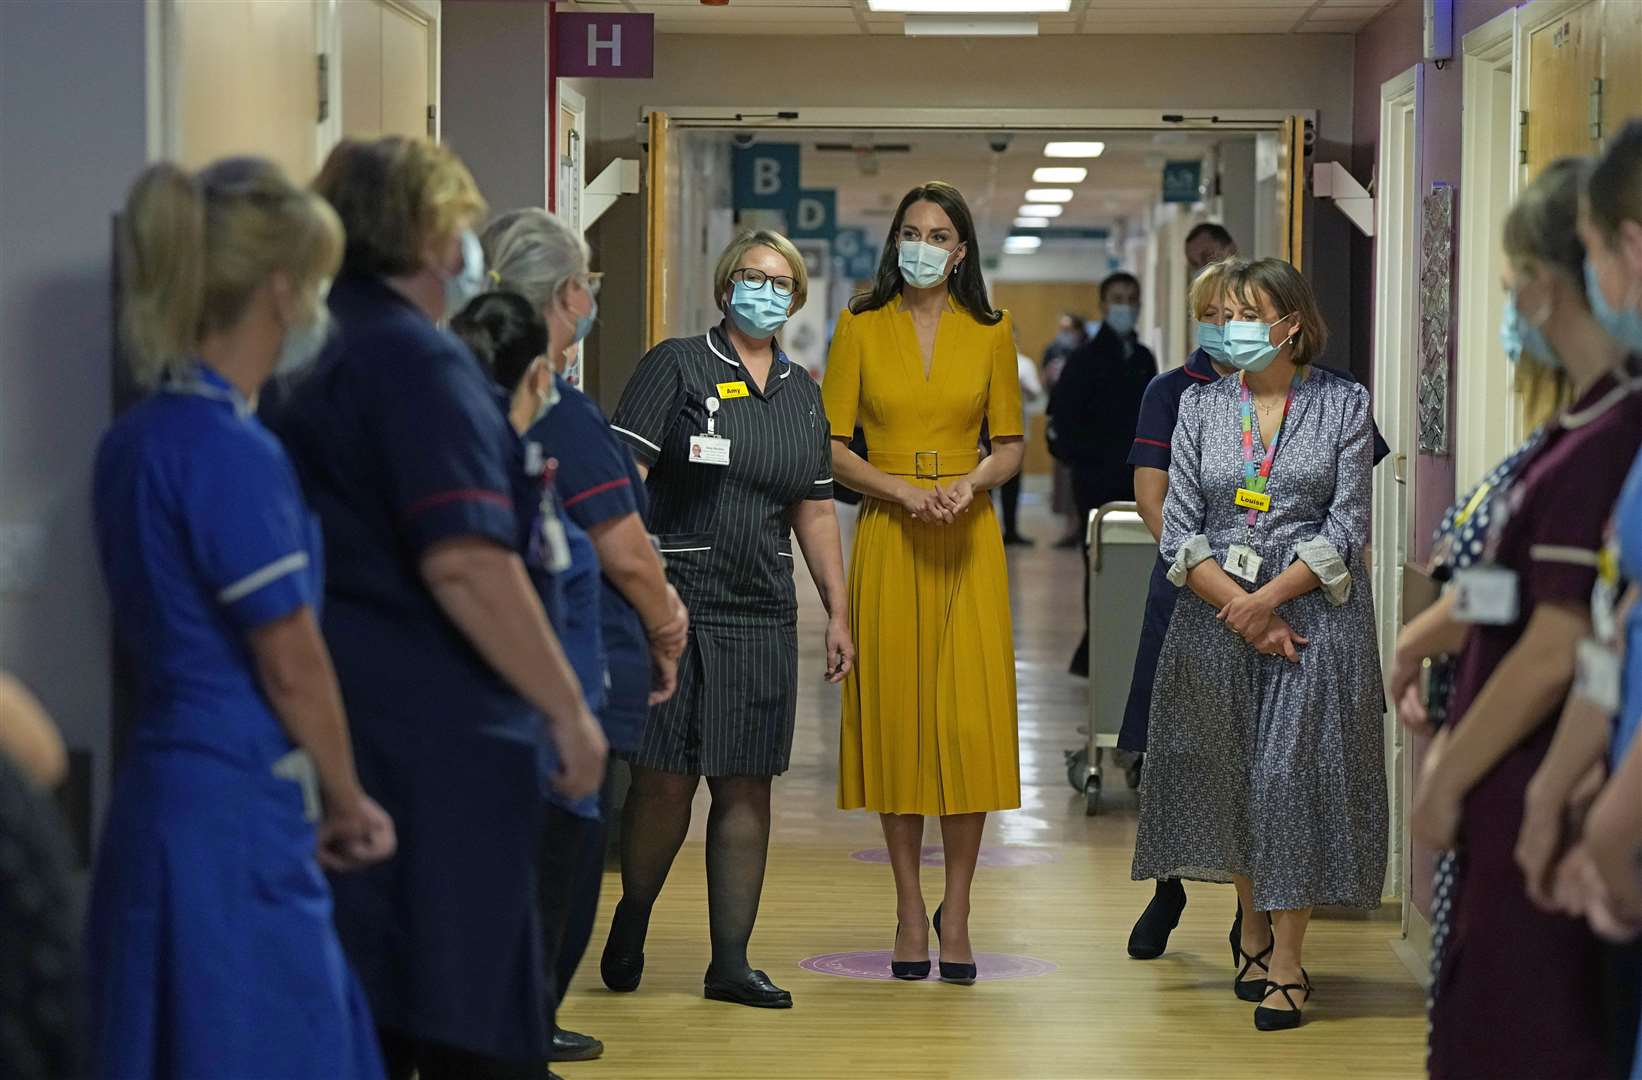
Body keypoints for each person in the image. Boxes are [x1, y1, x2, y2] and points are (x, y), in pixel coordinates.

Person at [262, 137, 606, 1080]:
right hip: (442, 742)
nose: (471, 251)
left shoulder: (318, 352)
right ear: (425, 233)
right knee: (471, 1026)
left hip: (360, 720)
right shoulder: (421, 367)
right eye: (460, 226)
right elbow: (467, 564)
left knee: (375, 1014)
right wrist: (567, 708)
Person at [85, 158, 394, 1080]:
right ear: (282, 289)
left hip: (161, 790)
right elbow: (290, 659)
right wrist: (347, 797)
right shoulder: (232, 453)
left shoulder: (136, 438)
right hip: (235, 801)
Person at [1391, 156, 1642, 1078]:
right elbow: (1513, 586)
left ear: (1544, 286)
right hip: (1509, 773)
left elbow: (1560, 640)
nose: (1506, 307)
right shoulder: (1564, 431)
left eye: (1507, 285)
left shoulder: (1612, 439)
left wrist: (1447, 778)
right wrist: (1424, 634)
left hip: (1544, 769)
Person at [1132, 257, 1386, 1031]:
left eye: (1247, 313)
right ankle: (1249, 925)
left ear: (1291, 323)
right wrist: (1240, 606)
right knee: (1237, 776)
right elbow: (1178, 525)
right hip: (1215, 619)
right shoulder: (1201, 408)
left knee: (1288, 781)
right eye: (1222, 313)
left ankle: (1286, 959)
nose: (1230, 328)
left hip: (1313, 620)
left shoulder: (1344, 404)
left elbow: (1347, 523)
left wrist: (1270, 602)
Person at [604, 229, 853, 1009]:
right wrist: (637, 591)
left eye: (781, 282)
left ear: (798, 298)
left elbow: (813, 509)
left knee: (747, 784)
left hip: (760, 609)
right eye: (752, 277)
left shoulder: (800, 392)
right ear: (724, 286)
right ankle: (633, 915)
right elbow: (623, 484)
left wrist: (838, 611)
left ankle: (731, 963)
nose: (765, 291)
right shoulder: (675, 366)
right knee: (664, 784)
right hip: (673, 603)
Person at [474, 208, 688, 1066]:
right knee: (562, 857)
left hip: (528, 671)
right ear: (569, 294)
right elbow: (626, 552)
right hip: (574, 670)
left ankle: (521, 1023)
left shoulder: (487, 390)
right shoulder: (554, 408)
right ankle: (527, 1027)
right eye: (588, 284)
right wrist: (670, 627)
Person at [823, 181, 1023, 984]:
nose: (924, 245)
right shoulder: (859, 324)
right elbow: (832, 445)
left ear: (961, 251)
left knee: (968, 726)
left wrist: (969, 485)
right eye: (911, 232)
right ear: (894, 243)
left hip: (967, 535)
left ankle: (960, 908)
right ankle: (910, 910)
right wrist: (901, 491)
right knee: (898, 723)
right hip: (889, 531)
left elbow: (1009, 444)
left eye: (939, 234)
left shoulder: (993, 331)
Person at [1048, 271, 1158, 676]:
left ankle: (1126, 647)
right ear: (1103, 304)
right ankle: (1097, 652)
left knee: (1135, 567)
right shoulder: (1083, 360)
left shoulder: (1144, 358)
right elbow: (1063, 423)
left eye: (1132, 297)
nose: (1125, 305)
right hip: (1096, 483)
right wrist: (1086, 464)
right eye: (1117, 298)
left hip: (1139, 482)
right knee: (1100, 566)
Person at [1042, 314, 1087, 548]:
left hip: (1084, 432)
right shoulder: (1053, 351)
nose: (1064, 334)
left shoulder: (1086, 354)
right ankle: (1071, 528)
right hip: (1063, 428)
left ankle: (1080, 529)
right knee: (1063, 483)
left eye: (1068, 329)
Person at [999, 331, 1045, 546]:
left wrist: (1022, 385)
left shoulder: (1024, 364)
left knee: (1012, 482)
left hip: (1017, 429)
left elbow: (1036, 393)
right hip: (986, 430)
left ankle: (1012, 530)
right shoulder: (988, 358)